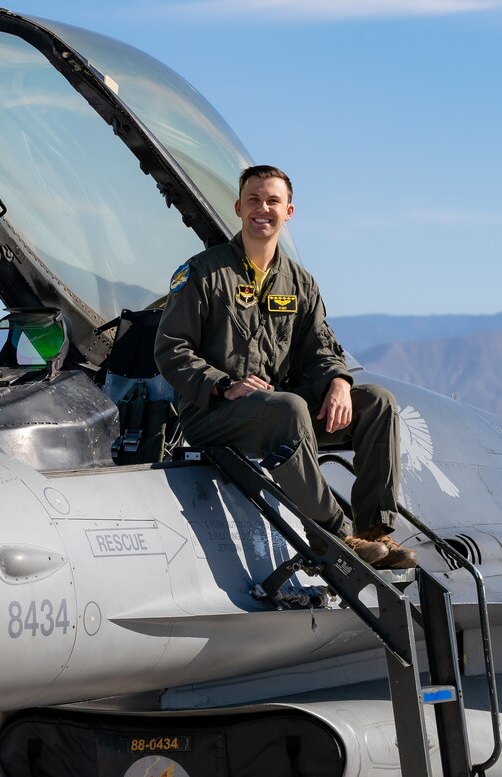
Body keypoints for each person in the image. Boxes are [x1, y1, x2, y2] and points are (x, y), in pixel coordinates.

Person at [154, 165, 415, 570]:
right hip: (214, 414)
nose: (263, 208)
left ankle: (373, 534)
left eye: (273, 201)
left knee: (377, 402)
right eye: (254, 200)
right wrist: (224, 385)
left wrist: (339, 382)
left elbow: (320, 349)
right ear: (239, 208)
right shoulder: (203, 273)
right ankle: (334, 534)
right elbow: (171, 349)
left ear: (288, 211)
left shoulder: (300, 283)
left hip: (275, 411)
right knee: (290, 408)